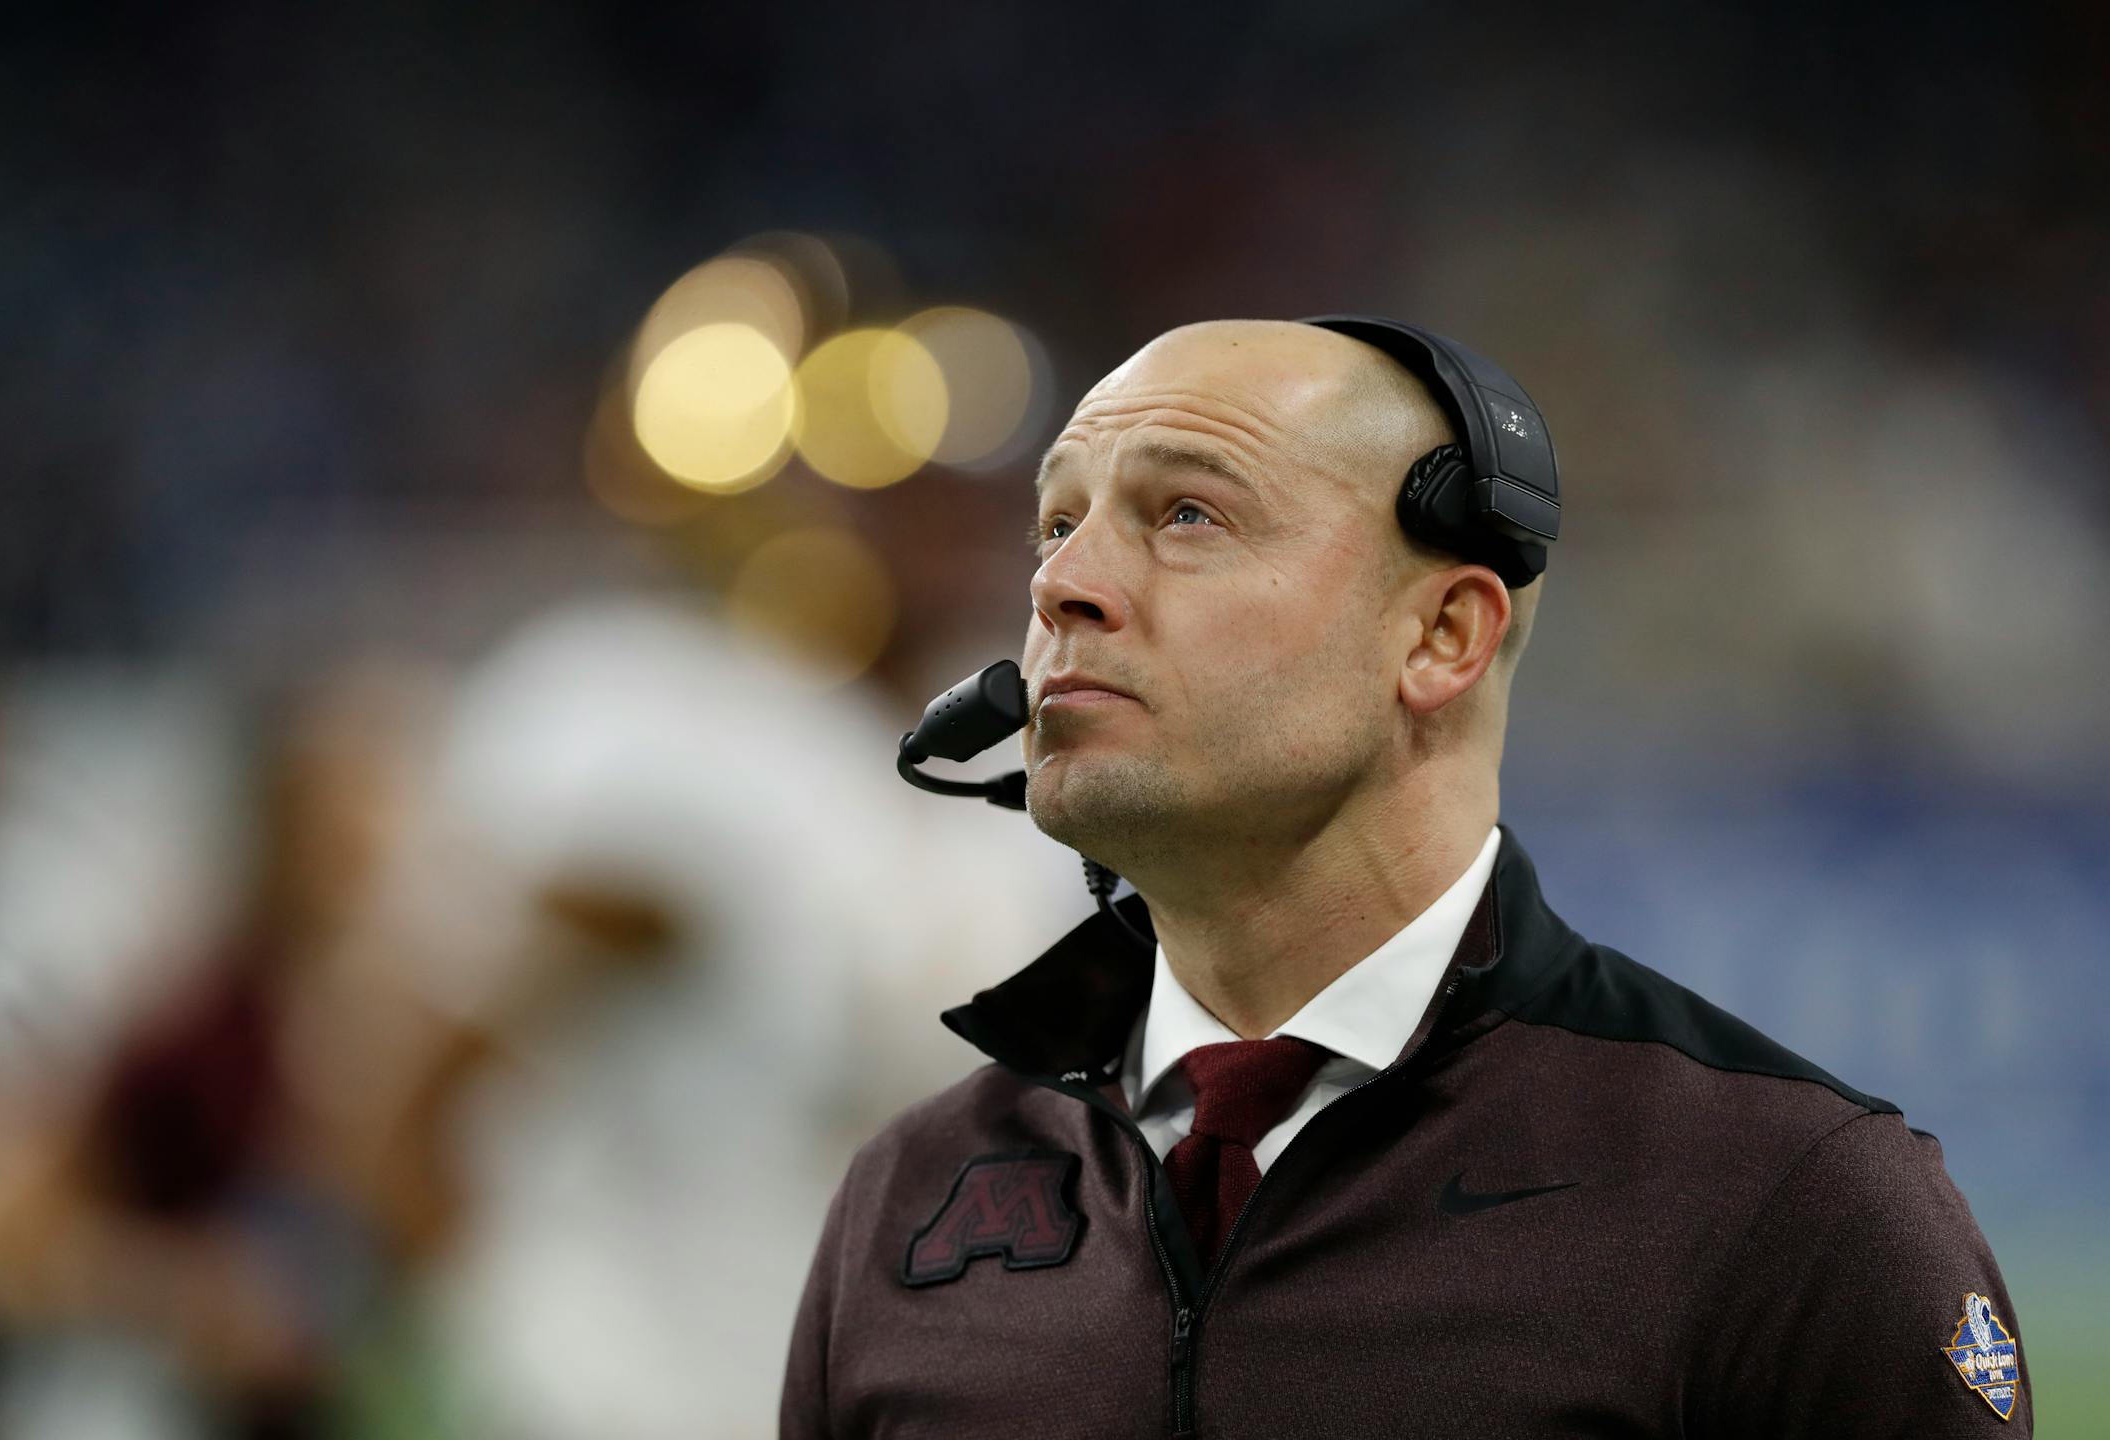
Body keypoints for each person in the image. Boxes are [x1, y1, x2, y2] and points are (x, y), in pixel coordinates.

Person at [779, 318, 2029, 1437]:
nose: (1061, 585)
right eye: (1059, 524)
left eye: (1188, 515)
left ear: (1441, 635)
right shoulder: (911, 1193)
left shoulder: (1790, 1206)